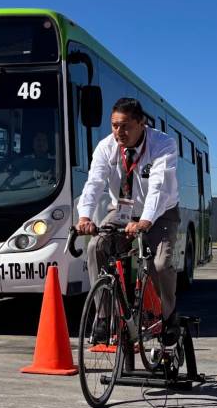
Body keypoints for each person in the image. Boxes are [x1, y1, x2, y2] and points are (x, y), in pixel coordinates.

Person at [76, 97, 181, 345]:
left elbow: (159, 188)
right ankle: (103, 317)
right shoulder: (105, 147)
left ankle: (168, 317)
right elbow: (94, 183)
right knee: (96, 248)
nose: (118, 132)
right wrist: (85, 216)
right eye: (114, 125)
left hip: (161, 211)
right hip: (123, 209)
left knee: (160, 262)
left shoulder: (163, 144)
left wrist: (145, 221)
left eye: (125, 126)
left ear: (141, 123)